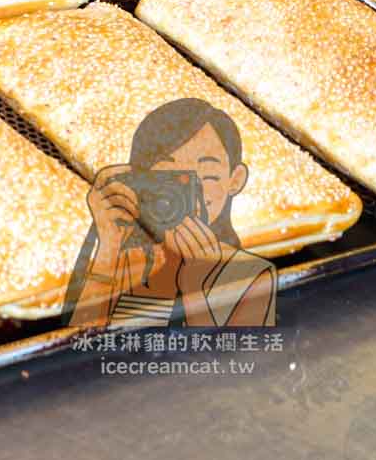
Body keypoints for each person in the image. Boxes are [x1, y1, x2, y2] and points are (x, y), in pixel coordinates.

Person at [63, 97, 276, 328]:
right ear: (139, 179)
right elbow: (83, 338)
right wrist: (108, 245)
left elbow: (226, 347)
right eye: (169, 178)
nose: (189, 194)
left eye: (208, 176)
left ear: (235, 180)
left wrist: (198, 283)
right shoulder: (125, 262)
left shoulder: (250, 273)